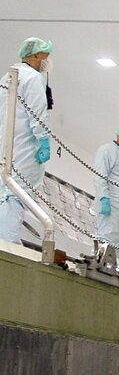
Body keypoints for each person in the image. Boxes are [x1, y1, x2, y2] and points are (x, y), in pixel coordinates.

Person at [0, 38, 54, 245]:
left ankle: (7, 240)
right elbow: (38, 113)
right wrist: (43, 140)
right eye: (44, 57)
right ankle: (9, 243)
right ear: (34, 56)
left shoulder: (7, 77)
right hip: (24, 147)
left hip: (7, 145)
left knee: (6, 193)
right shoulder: (32, 78)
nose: (46, 63)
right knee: (17, 193)